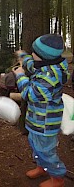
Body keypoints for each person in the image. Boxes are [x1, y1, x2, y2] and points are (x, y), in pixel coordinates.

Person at [13, 34, 70, 187]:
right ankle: (42, 167)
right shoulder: (45, 64)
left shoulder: (49, 76)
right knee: (35, 145)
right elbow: (31, 63)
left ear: (43, 57)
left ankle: (57, 178)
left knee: (46, 151)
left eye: (34, 52)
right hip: (37, 119)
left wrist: (20, 77)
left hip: (45, 123)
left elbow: (30, 95)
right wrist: (23, 56)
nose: (32, 55)